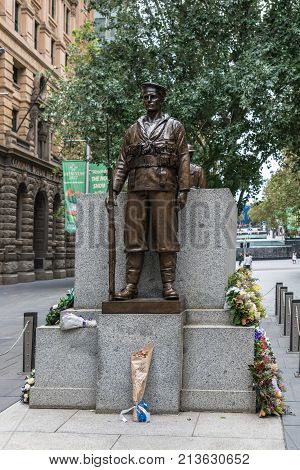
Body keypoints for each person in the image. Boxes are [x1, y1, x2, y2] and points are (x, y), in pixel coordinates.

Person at [112, 82, 190, 300]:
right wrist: (114, 189)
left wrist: (184, 189)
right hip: (137, 187)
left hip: (164, 187)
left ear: (161, 99)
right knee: (133, 238)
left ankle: (168, 285)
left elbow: (184, 157)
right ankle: (130, 285)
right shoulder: (132, 129)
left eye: (153, 97)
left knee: (166, 238)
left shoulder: (174, 126)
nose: (149, 101)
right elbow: (122, 162)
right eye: (146, 97)